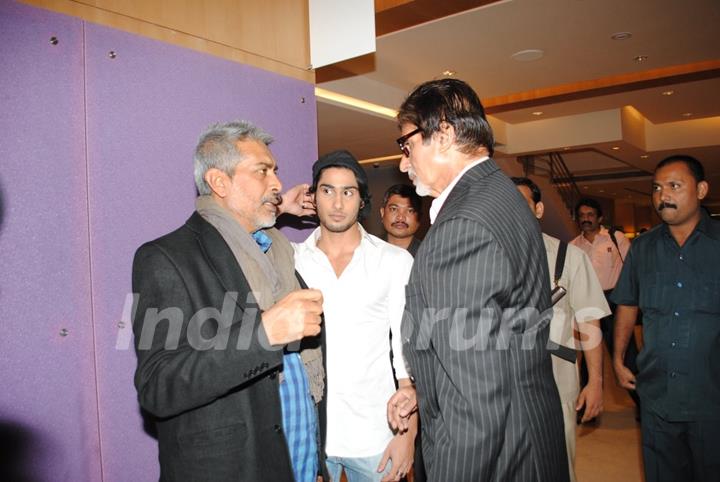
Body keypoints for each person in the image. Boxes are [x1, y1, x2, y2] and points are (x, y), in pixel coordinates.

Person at [386, 78, 568, 481]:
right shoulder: (500, 193)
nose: (403, 161)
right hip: (526, 434)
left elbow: (473, 396)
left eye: (407, 145)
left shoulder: (463, 224)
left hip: (497, 455)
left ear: (445, 134)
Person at [131, 120, 327, 482]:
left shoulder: (275, 250)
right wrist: (263, 333)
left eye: (275, 171)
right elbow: (158, 387)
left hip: (298, 459)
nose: (278, 183)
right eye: (262, 171)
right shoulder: (167, 257)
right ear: (219, 182)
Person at [292, 150, 417, 482]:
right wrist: (279, 207)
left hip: (377, 431)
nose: (337, 203)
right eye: (327, 190)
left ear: (361, 200)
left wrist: (408, 433)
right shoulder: (291, 259)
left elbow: (407, 351)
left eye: (347, 192)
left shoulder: (393, 261)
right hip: (311, 434)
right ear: (312, 197)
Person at [612, 155, 720, 482]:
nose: (663, 196)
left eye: (674, 186)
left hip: (711, 396)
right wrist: (617, 358)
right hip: (657, 394)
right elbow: (628, 304)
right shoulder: (642, 248)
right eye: (657, 188)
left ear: (701, 190)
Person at [512, 177, 610, 482]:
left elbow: (589, 322)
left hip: (556, 378)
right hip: (500, 385)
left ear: (539, 209)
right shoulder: (483, 257)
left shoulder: (570, 258)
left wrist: (595, 382)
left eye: (523, 203)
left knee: (558, 463)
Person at [570, 197, 641, 410]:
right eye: (582, 216)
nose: (586, 219)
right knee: (588, 358)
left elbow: (632, 270)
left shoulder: (615, 238)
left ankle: (643, 404)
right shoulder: (573, 246)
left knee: (626, 355)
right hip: (586, 304)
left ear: (600, 217)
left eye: (590, 215)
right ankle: (587, 407)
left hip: (614, 301)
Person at [380, 184, 422, 256]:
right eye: (394, 209)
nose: (400, 217)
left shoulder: (429, 254)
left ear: (419, 217)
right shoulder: (367, 250)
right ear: (382, 213)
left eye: (410, 211)